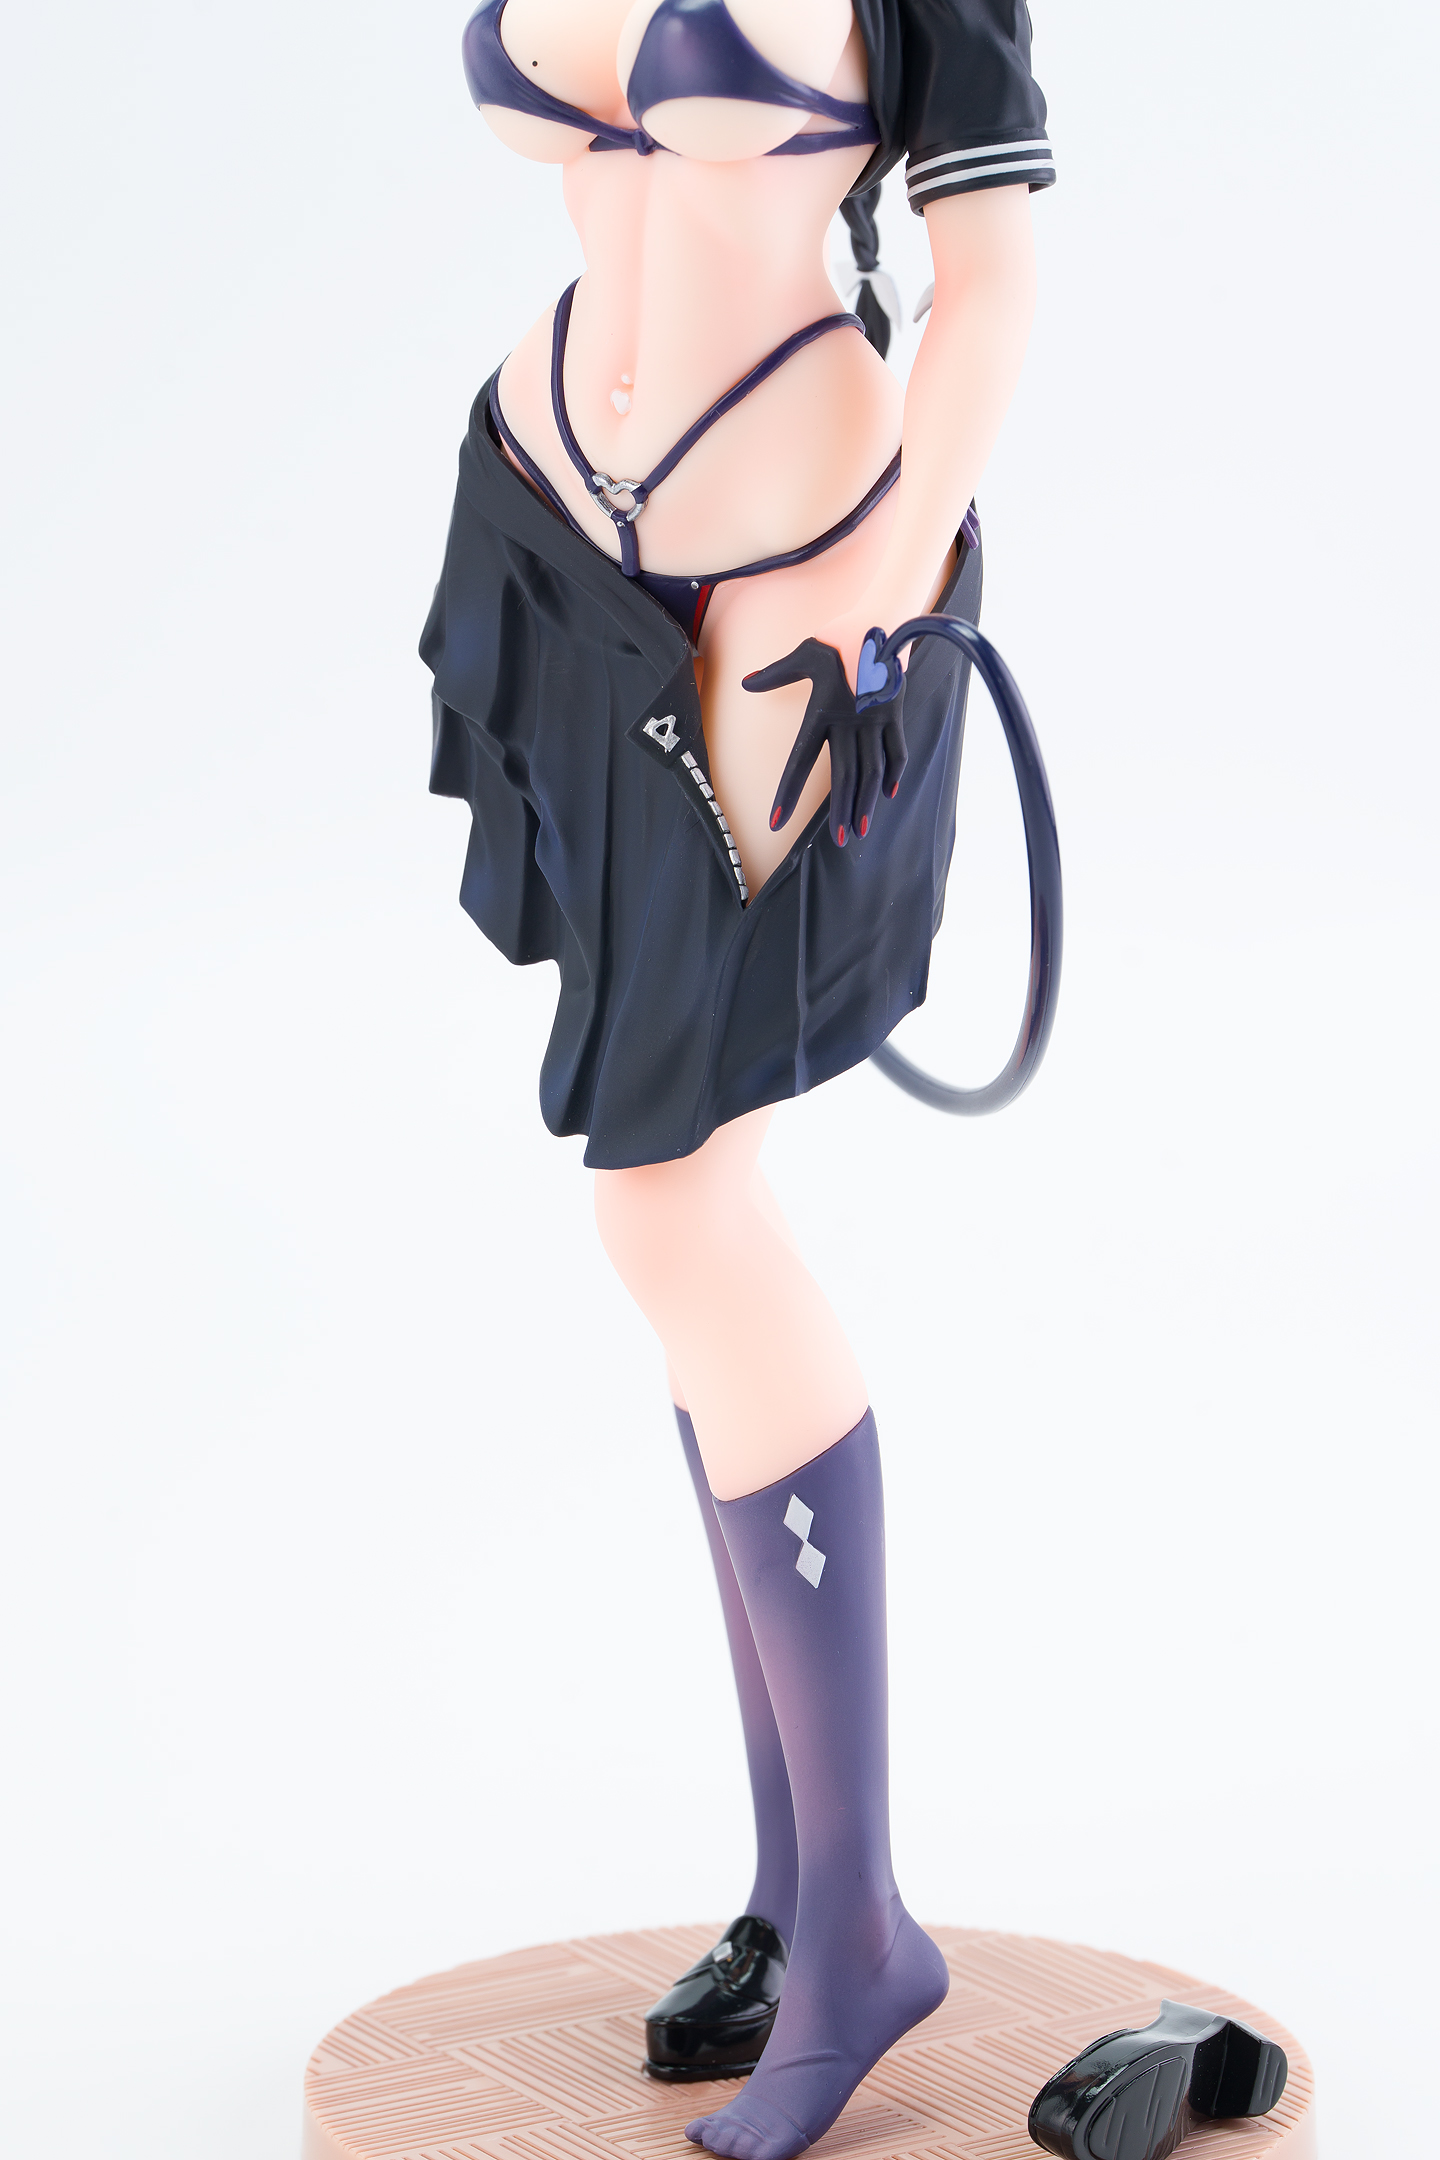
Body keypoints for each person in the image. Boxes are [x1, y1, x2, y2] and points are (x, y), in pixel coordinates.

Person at [421, 4, 1053, 2152]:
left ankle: (857, 1918)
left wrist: (882, 581)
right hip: (548, 538)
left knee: (673, 1202)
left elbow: (993, 284)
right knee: (681, 1224)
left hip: (791, 576)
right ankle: (800, 1896)